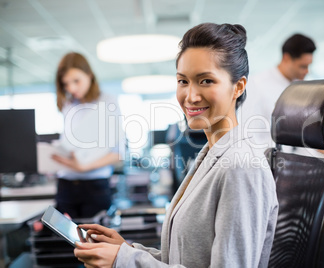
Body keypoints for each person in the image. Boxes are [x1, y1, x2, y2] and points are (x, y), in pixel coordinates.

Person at [74, 23, 278, 267]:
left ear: (239, 86)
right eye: (183, 81)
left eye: (206, 81)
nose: (190, 96)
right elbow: (187, 259)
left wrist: (125, 262)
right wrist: (127, 249)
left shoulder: (241, 166)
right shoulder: (212, 153)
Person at [52, 52, 125, 219]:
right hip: (65, 185)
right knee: (62, 242)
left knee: (94, 241)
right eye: (66, 84)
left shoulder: (107, 102)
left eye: (76, 81)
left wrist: (83, 167)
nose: (71, 88)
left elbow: (118, 153)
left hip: (94, 187)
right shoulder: (68, 105)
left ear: (90, 75)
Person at [239, 33, 316, 151]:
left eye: (308, 66)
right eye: (302, 66)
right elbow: (250, 135)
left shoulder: (301, 88)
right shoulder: (258, 85)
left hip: (295, 159)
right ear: (286, 58)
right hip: (268, 160)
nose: (306, 71)